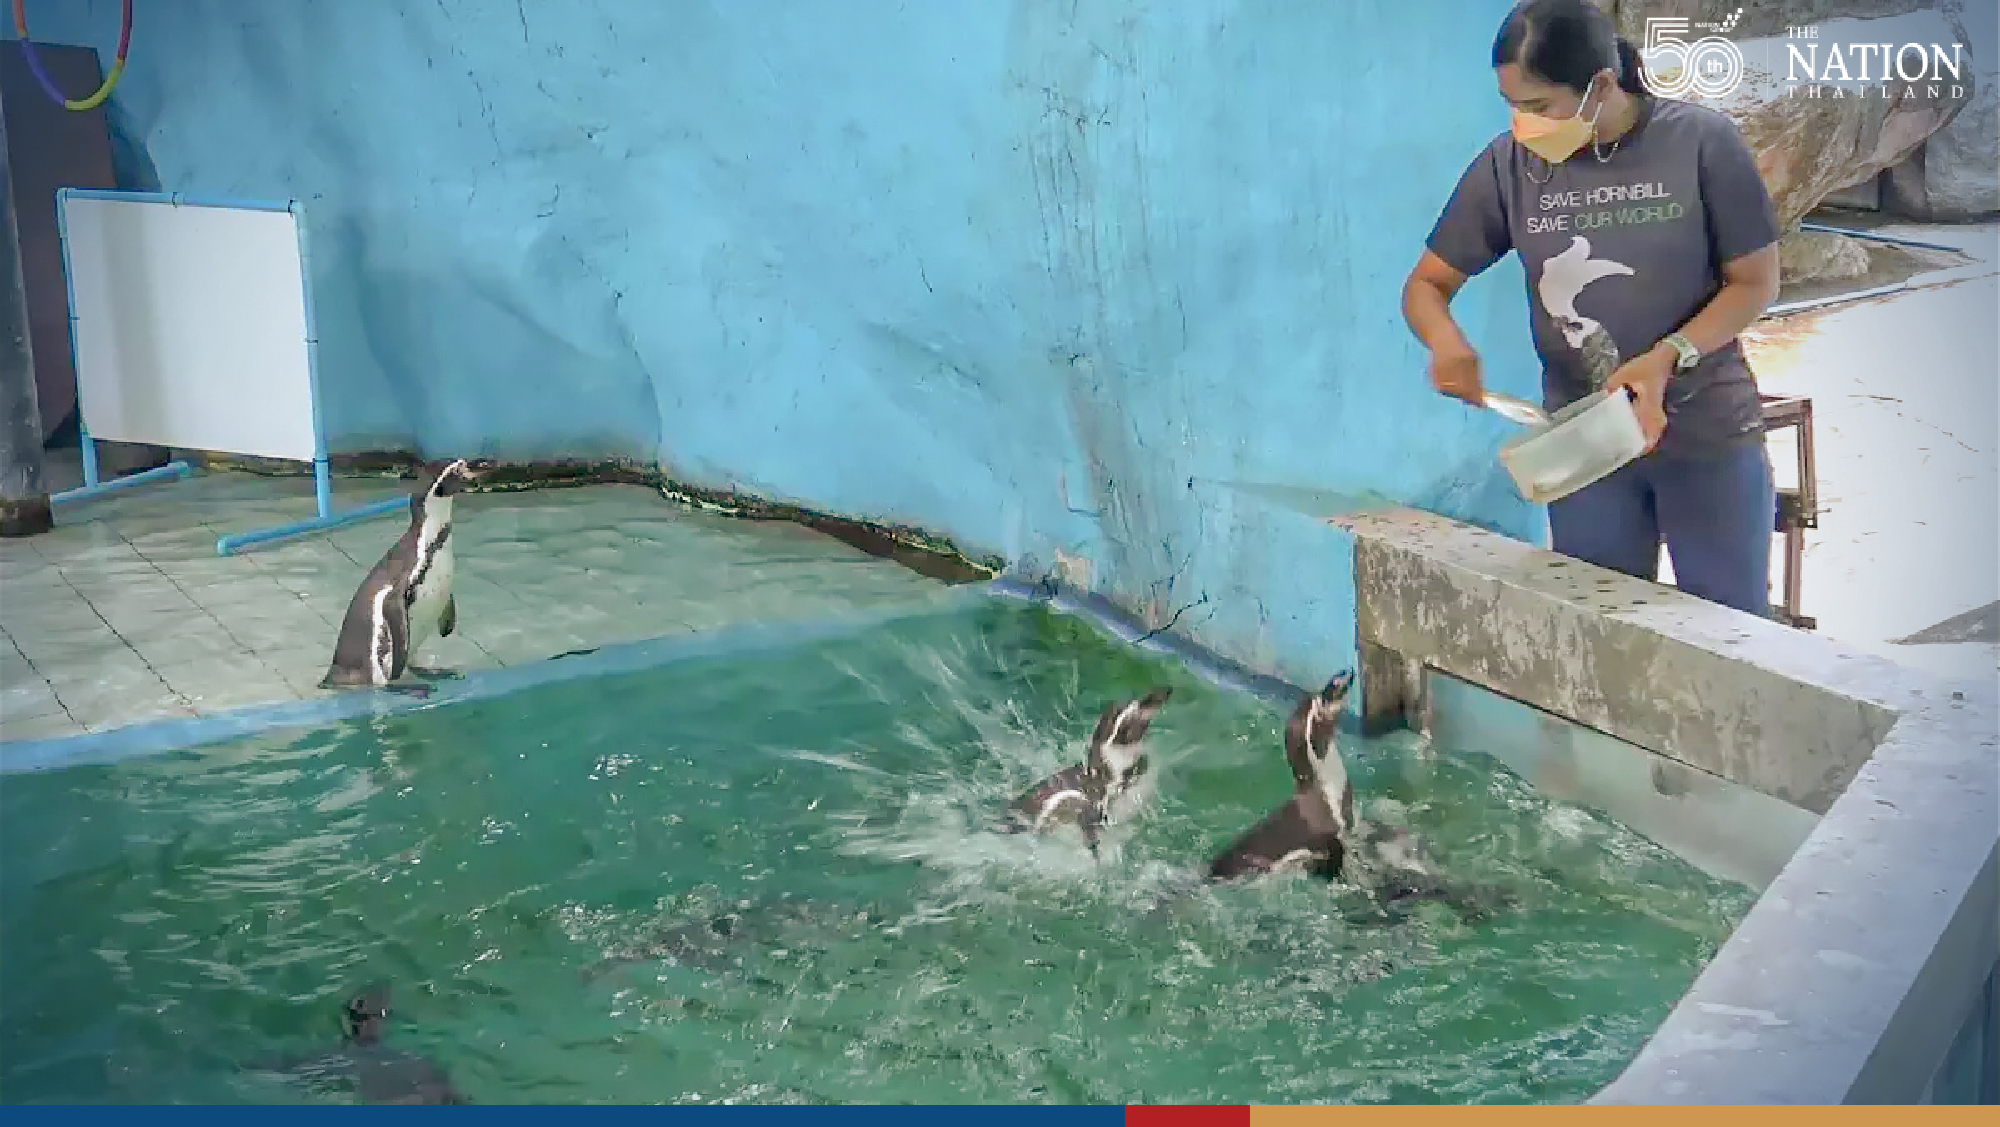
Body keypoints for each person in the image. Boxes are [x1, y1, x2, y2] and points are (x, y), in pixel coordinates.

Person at [1401, 0, 1783, 618]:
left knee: (1733, 637)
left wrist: (1668, 356)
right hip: (1584, 447)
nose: (1523, 124)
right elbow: (1424, 286)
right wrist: (1446, 342)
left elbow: (1754, 282)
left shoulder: (1700, 143)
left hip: (1706, 434)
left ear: (1600, 86)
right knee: (1600, 630)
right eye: (1513, 106)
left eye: (1538, 107)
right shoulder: (1508, 168)